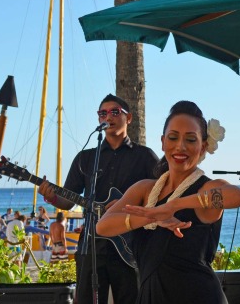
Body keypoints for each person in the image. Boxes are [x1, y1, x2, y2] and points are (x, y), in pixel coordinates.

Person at [96, 100, 240, 304]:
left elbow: (237, 196)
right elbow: (103, 226)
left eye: (190, 139)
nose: (180, 146)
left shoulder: (204, 188)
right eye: (173, 138)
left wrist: (174, 205)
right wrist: (153, 217)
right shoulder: (145, 189)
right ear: (163, 142)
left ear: (203, 147)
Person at [38, 94, 160, 304]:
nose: (108, 117)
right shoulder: (85, 158)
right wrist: (52, 198)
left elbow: (161, 196)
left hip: (130, 246)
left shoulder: (145, 156)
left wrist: (128, 206)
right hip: (91, 247)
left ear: (129, 118)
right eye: (103, 113)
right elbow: (68, 200)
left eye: (115, 112)